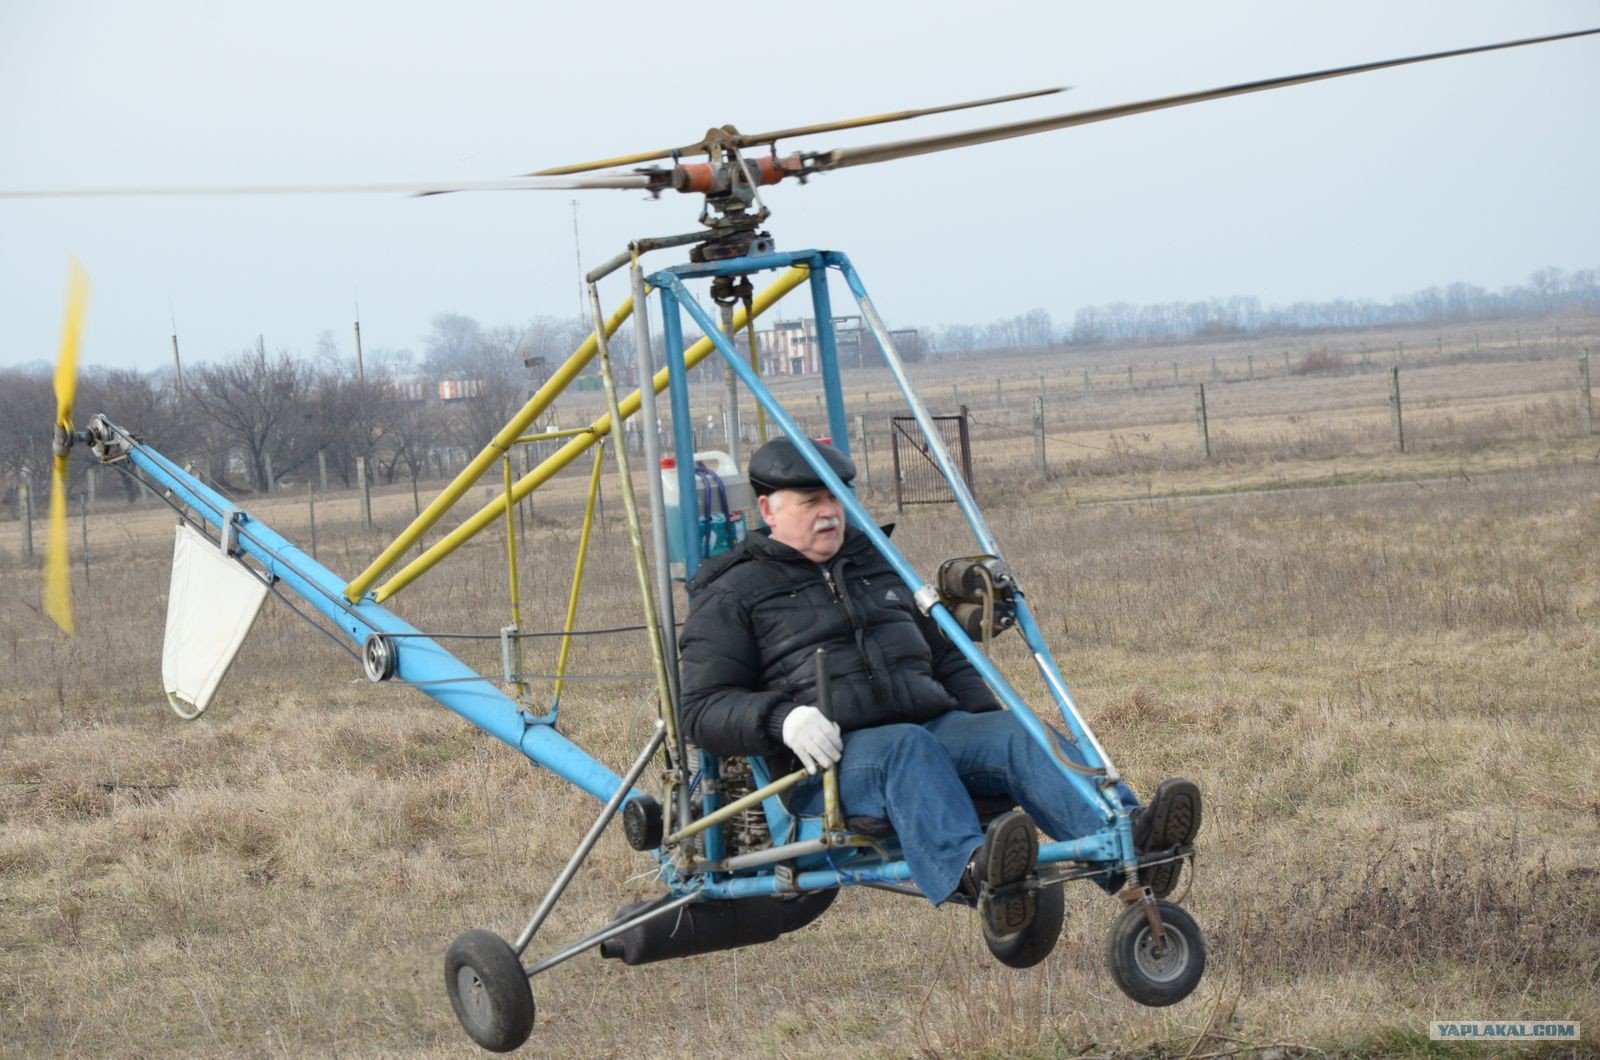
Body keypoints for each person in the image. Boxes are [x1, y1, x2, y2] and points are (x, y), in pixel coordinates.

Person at [678, 437, 1201, 935]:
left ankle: (1132, 848)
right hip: (830, 766)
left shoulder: (877, 566)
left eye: (837, 498)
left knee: (1011, 732)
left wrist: (983, 722)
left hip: (930, 731)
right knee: (906, 746)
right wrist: (782, 719)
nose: (830, 513)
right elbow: (699, 708)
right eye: (811, 501)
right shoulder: (732, 592)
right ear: (768, 510)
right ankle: (982, 876)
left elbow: (947, 656)